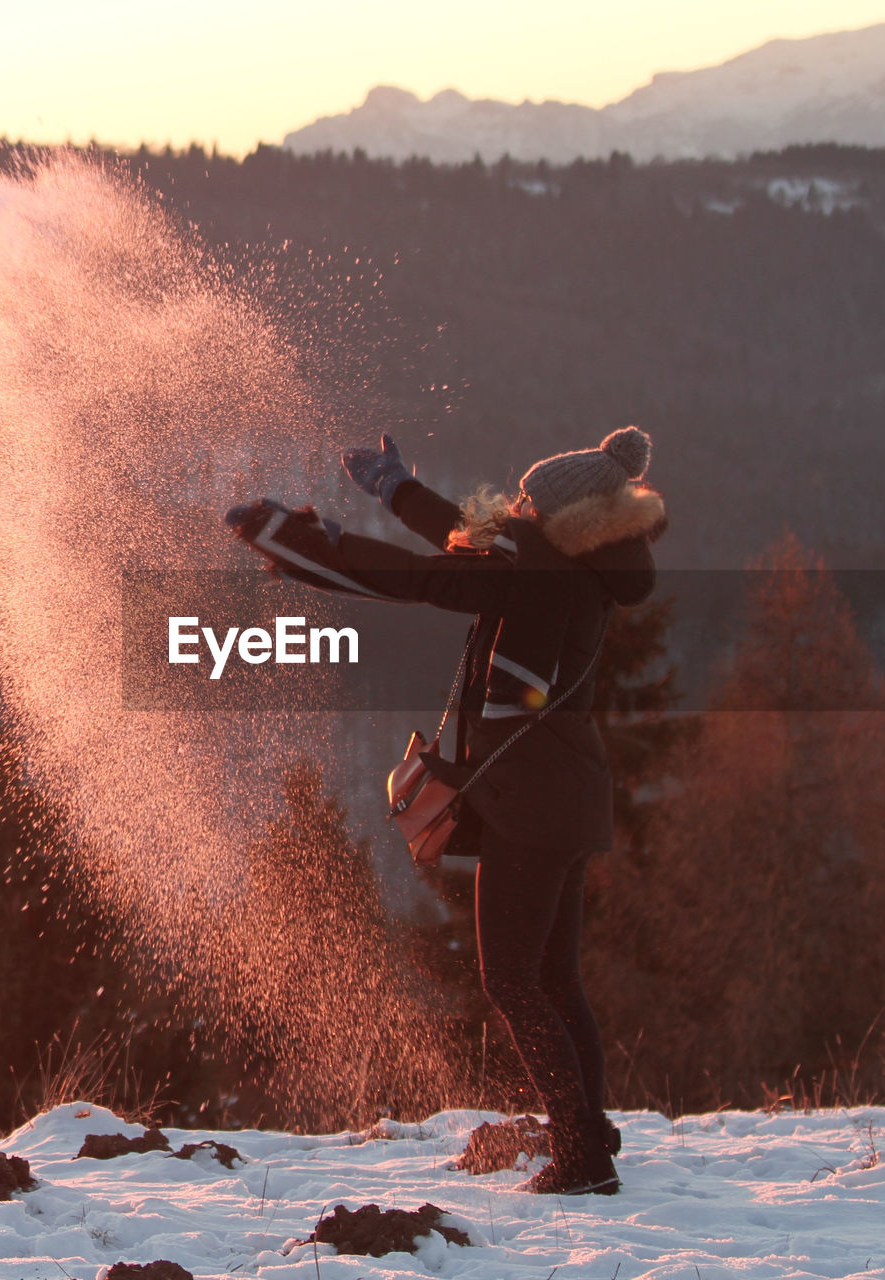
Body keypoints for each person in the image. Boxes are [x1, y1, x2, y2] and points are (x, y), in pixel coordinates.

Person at [226, 426, 666, 1195]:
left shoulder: (532, 566)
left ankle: (584, 1161)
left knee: (513, 983)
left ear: (562, 515)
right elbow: (475, 536)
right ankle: (588, 1134)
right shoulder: (584, 560)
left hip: (529, 794)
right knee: (557, 980)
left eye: (531, 498)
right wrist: (396, 487)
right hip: (566, 785)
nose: (519, 505)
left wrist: (300, 540)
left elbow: (421, 577)